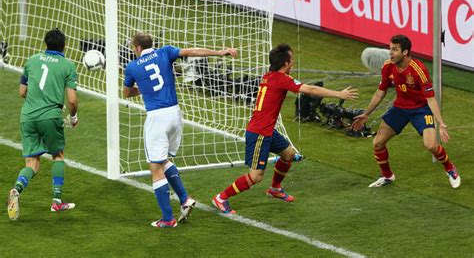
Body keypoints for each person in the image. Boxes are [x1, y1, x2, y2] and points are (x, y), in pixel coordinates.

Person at [211, 43, 358, 214]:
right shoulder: (282, 79)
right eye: (292, 60)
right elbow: (309, 89)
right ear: (286, 63)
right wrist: (339, 94)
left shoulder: (269, 76)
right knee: (256, 176)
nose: (294, 63)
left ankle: (275, 189)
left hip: (267, 130)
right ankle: (221, 198)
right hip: (259, 133)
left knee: (288, 154)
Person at [123, 33, 237, 228]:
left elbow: (126, 93)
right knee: (163, 159)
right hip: (175, 115)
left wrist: (145, 88)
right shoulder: (166, 51)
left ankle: (168, 219)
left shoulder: (132, 67)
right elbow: (192, 51)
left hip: (157, 118)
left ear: (138, 48)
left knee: (155, 167)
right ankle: (184, 199)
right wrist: (220, 52)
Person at [351, 34, 461, 188]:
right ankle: (387, 176)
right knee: (378, 143)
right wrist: (366, 114)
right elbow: (380, 92)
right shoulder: (387, 66)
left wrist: (441, 123)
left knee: (431, 146)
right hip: (400, 108)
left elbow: (430, 98)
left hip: (421, 110)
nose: (390, 53)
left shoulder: (418, 69)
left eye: (395, 50)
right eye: (390, 49)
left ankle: (450, 168)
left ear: (405, 52)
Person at [7, 28, 79, 220]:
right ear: (64, 45)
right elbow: (71, 100)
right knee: (57, 155)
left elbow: (22, 92)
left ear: (45, 44)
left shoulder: (31, 60)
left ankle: (17, 189)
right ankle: (57, 202)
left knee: (32, 163)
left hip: (28, 116)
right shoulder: (67, 65)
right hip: (50, 116)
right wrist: (73, 117)